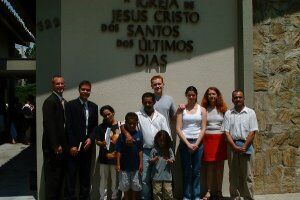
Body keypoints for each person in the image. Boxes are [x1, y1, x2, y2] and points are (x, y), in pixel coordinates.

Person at [65, 80, 98, 200]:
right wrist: (72, 145)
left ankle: (84, 197)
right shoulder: (70, 105)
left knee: (85, 176)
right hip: (74, 147)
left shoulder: (94, 106)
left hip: (87, 146)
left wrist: (91, 138)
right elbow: (68, 126)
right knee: (71, 175)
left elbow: (95, 126)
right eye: (83, 89)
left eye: (88, 90)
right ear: (79, 90)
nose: (85, 92)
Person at [223, 90, 258, 200]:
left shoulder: (250, 112)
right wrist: (233, 146)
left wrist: (244, 146)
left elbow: (253, 131)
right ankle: (235, 197)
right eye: (235, 98)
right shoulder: (228, 113)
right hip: (232, 145)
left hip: (246, 146)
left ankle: (248, 197)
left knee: (248, 175)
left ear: (243, 98)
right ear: (232, 99)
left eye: (240, 97)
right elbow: (226, 132)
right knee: (233, 174)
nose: (238, 99)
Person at [176, 86, 207, 200]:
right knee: (186, 171)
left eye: (193, 95)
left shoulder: (202, 110)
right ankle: (187, 196)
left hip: (198, 143)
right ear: (186, 95)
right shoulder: (181, 109)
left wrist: (196, 144)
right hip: (185, 143)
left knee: (196, 171)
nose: (191, 97)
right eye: (189, 95)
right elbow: (178, 128)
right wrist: (188, 144)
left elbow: (203, 128)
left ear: (196, 95)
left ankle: (196, 196)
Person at [42, 75, 67, 200]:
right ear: (53, 85)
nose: (60, 86)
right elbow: (49, 125)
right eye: (58, 84)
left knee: (59, 177)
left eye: (62, 83)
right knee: (53, 179)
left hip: (62, 148)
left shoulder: (63, 101)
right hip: (54, 149)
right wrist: (56, 145)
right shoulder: (50, 101)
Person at [200, 87, 228, 200]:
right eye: (209, 94)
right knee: (209, 167)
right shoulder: (203, 109)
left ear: (218, 95)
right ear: (207, 96)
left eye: (214, 94)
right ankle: (209, 191)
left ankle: (219, 191)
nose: (212, 96)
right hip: (207, 139)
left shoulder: (223, 109)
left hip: (220, 139)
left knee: (220, 167)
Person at [95, 105, 121, 200]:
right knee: (103, 180)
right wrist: (102, 143)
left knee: (115, 180)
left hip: (116, 158)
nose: (107, 117)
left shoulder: (120, 125)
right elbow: (97, 141)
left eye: (108, 114)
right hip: (104, 158)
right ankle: (103, 198)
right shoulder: (100, 127)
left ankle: (114, 197)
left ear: (113, 112)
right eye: (104, 115)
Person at [116, 112, 143, 200]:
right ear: (126, 123)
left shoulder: (139, 134)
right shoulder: (121, 136)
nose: (132, 125)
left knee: (135, 185)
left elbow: (140, 151)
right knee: (125, 185)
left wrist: (141, 164)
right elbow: (118, 152)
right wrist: (118, 164)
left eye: (134, 124)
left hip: (135, 166)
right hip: (124, 166)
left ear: (137, 123)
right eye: (129, 123)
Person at [149, 130, 175, 200]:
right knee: (157, 193)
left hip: (167, 177)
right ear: (157, 140)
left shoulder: (169, 149)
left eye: (164, 141)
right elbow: (149, 160)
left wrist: (170, 160)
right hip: (156, 176)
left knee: (168, 193)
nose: (162, 143)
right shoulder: (154, 150)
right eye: (160, 140)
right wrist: (153, 160)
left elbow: (173, 158)